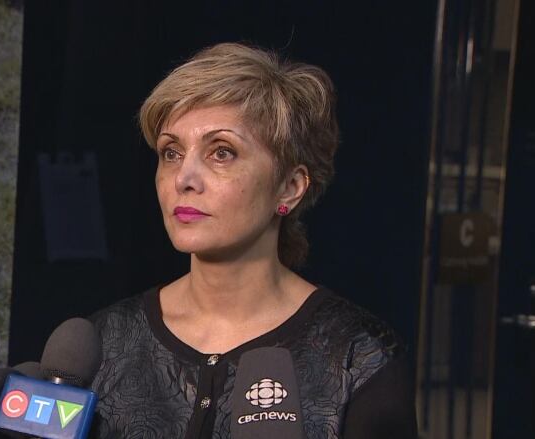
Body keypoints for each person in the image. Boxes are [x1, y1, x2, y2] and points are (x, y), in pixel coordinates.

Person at [88, 42, 417, 439]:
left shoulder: (357, 356)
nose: (183, 179)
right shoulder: (104, 341)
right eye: (171, 153)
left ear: (289, 187)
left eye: (222, 152)